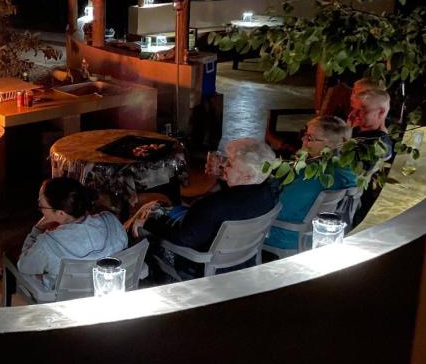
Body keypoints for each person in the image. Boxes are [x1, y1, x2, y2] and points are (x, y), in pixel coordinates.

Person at [128, 138, 277, 277]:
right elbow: (240, 196)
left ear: (248, 176)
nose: (224, 165)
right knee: (157, 206)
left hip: (199, 264)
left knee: (148, 214)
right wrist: (223, 178)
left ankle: (132, 262)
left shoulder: (214, 205)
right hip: (241, 256)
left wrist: (148, 224)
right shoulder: (267, 194)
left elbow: (184, 239)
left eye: (230, 164)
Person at [264, 116, 358, 251]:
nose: (303, 139)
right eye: (305, 135)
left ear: (330, 145)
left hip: (287, 234)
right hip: (313, 231)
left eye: (309, 138)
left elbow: (281, 210)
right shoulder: (346, 169)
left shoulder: (313, 177)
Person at [16, 177, 127, 291]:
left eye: (41, 206)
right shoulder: (111, 221)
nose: (41, 210)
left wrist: (37, 229)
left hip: (65, 299)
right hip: (109, 291)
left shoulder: (47, 243)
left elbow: (23, 265)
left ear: (61, 213)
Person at [348, 86, 395, 162]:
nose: (354, 114)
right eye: (354, 109)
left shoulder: (378, 145)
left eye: (362, 110)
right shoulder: (358, 129)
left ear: (381, 112)